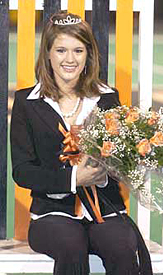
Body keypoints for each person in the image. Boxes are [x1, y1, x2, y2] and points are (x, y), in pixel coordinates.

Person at [10, 11, 153, 275]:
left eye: (78, 50)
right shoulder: (26, 103)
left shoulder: (107, 99)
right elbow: (22, 171)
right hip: (51, 215)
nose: (70, 59)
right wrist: (75, 178)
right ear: (48, 54)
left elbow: (120, 158)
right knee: (71, 244)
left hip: (105, 211)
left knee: (121, 245)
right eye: (61, 50)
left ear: (88, 56)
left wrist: (110, 169)